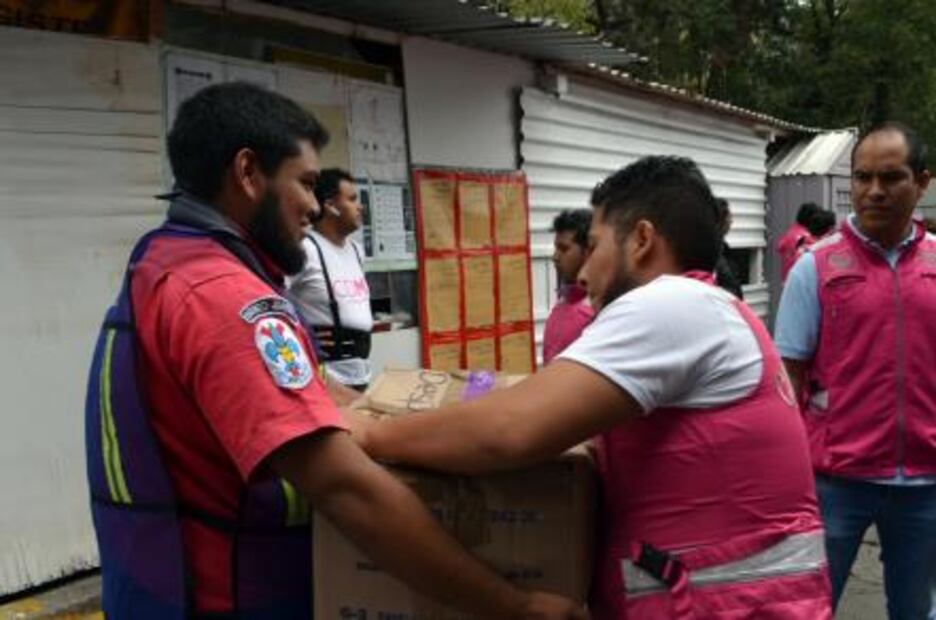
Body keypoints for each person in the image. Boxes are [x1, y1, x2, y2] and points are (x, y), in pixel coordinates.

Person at [83, 82, 586, 620]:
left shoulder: (166, 263)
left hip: (159, 588)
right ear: (248, 174)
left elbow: (323, 398)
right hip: (227, 598)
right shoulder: (224, 299)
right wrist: (515, 605)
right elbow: (345, 488)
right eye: (304, 182)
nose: (313, 205)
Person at [352, 156, 832, 619]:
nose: (582, 272)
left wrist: (370, 435)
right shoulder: (711, 308)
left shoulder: (674, 304)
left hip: (722, 604)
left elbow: (508, 430)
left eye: (596, 245)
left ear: (642, 239)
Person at [775, 121, 936, 619]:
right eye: (862, 177)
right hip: (835, 479)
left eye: (890, 178)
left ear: (923, 182)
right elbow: (787, 379)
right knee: (809, 606)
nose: (873, 191)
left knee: (914, 609)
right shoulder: (816, 267)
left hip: (926, 481)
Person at [288, 168, 373, 391]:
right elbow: (271, 295)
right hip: (325, 376)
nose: (360, 206)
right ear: (330, 205)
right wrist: (301, 332)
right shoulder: (306, 249)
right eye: (352, 199)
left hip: (360, 372)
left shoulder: (356, 250)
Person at [542, 209, 594, 364]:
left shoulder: (597, 313)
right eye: (555, 248)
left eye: (563, 249)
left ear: (588, 252)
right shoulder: (563, 301)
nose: (555, 257)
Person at [778, 202, 820, 281]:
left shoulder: (790, 232)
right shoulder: (808, 238)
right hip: (801, 281)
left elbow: (780, 247)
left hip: (787, 278)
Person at [713, 198, 744, 298]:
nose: (731, 221)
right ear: (720, 220)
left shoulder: (723, 248)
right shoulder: (713, 251)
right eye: (729, 217)